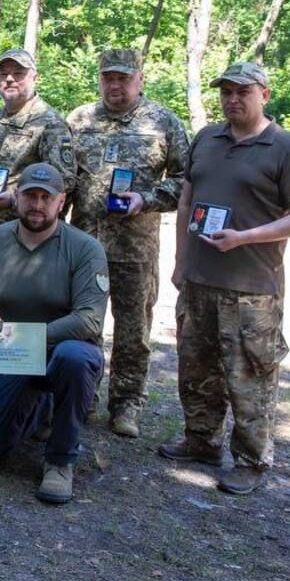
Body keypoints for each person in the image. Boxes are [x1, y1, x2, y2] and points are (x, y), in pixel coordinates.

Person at [159, 62, 290, 495]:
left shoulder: (286, 148)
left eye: (242, 92)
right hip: (198, 279)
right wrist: (180, 259)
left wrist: (247, 237)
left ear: (263, 94)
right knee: (197, 368)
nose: (232, 99)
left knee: (250, 375)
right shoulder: (207, 138)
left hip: (251, 287)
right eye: (226, 91)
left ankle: (251, 459)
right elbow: (188, 196)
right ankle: (201, 440)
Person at [0, 163, 109, 505]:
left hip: (59, 353)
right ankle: (40, 405)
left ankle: (60, 460)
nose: (37, 204)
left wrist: (29, 336)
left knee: (76, 358)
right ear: (16, 199)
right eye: (29, 196)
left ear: (61, 201)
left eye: (46, 197)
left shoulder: (85, 249)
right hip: (10, 355)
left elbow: (89, 320)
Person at [66, 48, 189, 438]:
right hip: (84, 247)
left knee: (133, 332)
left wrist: (147, 198)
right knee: (81, 326)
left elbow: (186, 178)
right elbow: (65, 178)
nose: (114, 85)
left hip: (135, 249)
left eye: (123, 78)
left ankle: (126, 403)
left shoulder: (162, 122)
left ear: (139, 79)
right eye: (108, 77)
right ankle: (81, 397)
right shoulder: (80, 119)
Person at [0, 48, 76, 234]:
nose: (9, 79)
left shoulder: (50, 123)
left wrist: (16, 199)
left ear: (34, 77)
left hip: (28, 234)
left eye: (18, 74)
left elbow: (64, 181)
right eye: (4, 74)